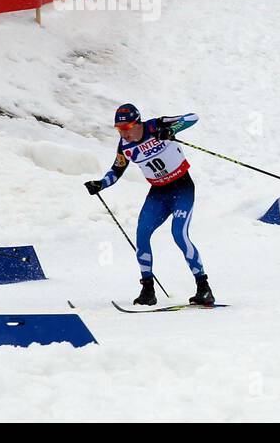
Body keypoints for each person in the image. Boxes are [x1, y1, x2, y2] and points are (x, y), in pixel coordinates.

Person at [83, 104, 212, 306]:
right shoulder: (124, 146)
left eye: (125, 128)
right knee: (142, 235)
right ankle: (148, 289)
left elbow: (193, 117)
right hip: (159, 193)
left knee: (179, 234)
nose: (123, 133)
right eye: (119, 129)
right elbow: (116, 170)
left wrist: (170, 130)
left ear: (137, 123)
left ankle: (203, 287)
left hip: (181, 188)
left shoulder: (155, 126)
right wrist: (101, 184)